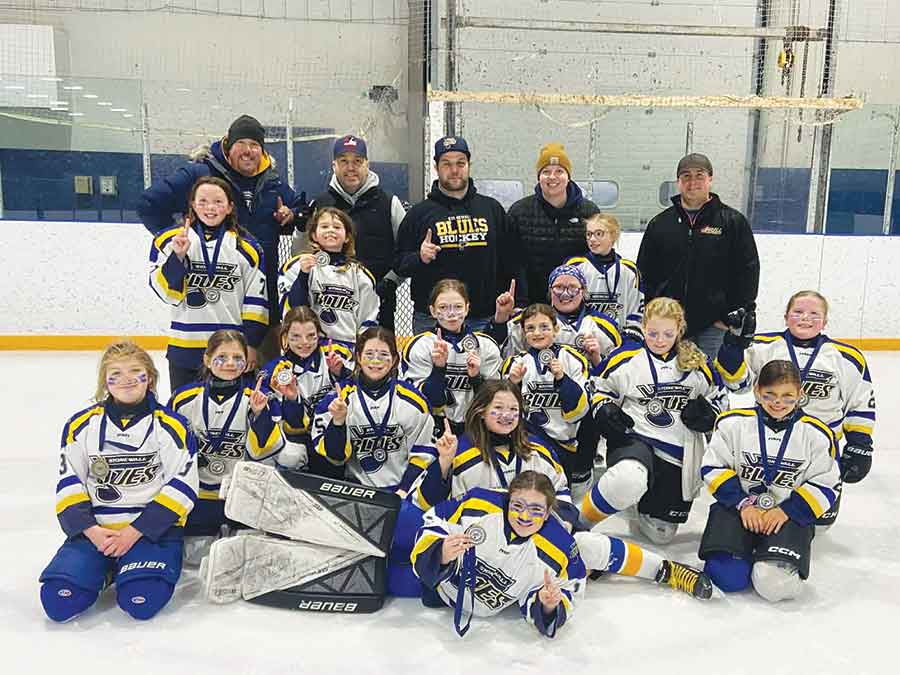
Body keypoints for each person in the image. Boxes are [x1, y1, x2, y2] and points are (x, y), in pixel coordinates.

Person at [411, 471, 710, 638]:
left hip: (493, 595)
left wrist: (548, 605)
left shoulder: (560, 545)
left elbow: (567, 592)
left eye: (536, 510)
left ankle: (665, 570)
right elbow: (433, 519)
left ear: (548, 513)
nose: (524, 517)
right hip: (435, 585)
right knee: (394, 530)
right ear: (507, 501)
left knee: (587, 547)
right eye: (517, 507)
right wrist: (441, 552)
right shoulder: (478, 503)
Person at [40, 341, 198, 622]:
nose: (126, 380)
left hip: (152, 534)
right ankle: (108, 566)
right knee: (58, 602)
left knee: (141, 602)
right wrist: (92, 531)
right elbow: (69, 483)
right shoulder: (81, 425)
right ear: (105, 381)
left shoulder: (172, 426)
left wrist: (134, 532)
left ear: (149, 377)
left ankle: (122, 565)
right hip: (97, 535)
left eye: (135, 371)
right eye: (116, 373)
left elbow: (183, 487)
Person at [139, 115, 303, 362]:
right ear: (227, 144)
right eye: (241, 143)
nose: (248, 151)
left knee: (259, 385)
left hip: (260, 304)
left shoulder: (273, 181)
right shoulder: (200, 172)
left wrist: (290, 216)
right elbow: (148, 204)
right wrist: (180, 238)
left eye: (255, 145)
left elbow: (303, 212)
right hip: (211, 304)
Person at [715, 290, 875, 527]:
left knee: (817, 523)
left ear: (826, 320)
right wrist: (733, 346)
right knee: (758, 511)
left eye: (814, 314)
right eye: (798, 312)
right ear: (786, 316)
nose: (805, 318)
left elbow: (859, 402)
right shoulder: (763, 346)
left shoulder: (846, 357)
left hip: (819, 450)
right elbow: (737, 383)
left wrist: (860, 444)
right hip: (765, 442)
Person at [581, 297, 728, 544]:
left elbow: (720, 398)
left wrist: (709, 416)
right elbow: (597, 386)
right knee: (629, 478)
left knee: (661, 535)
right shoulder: (626, 358)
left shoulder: (697, 363)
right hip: (636, 439)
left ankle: (642, 500)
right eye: (652, 333)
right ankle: (579, 521)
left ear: (679, 330)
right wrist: (603, 408)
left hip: (677, 452)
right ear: (643, 328)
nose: (659, 340)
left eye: (668, 334)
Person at [699, 360, 840, 602]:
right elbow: (712, 467)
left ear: (800, 394)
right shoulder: (732, 423)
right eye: (770, 394)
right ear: (757, 390)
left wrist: (788, 510)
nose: (778, 403)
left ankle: (767, 551)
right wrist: (743, 504)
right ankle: (748, 549)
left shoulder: (816, 434)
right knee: (726, 578)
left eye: (788, 396)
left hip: (786, 515)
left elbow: (828, 483)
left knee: (773, 586)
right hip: (740, 509)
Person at [149, 176, 269, 391]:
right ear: (193, 205)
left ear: (230, 207)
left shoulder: (247, 247)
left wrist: (251, 344)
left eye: (218, 202)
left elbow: (256, 302)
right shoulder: (168, 240)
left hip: (231, 351)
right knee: (185, 412)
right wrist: (177, 258)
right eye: (202, 201)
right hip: (185, 347)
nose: (210, 208)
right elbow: (165, 293)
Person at [637, 153, 759, 359]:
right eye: (686, 176)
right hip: (668, 326)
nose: (692, 182)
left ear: (710, 179)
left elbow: (748, 272)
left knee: (710, 385)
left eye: (699, 175)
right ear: (678, 182)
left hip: (714, 326)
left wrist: (732, 315)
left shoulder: (732, 222)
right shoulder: (660, 224)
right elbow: (644, 274)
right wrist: (651, 315)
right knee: (672, 387)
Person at [395, 136, 522, 334]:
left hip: (484, 317)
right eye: (447, 164)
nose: (454, 170)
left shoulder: (491, 209)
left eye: (460, 163)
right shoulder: (419, 214)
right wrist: (418, 257)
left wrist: (516, 302)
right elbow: (399, 263)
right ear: (436, 167)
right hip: (432, 320)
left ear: (469, 165)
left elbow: (513, 261)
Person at [168, 330, 285, 540]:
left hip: (240, 495)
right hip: (196, 494)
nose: (230, 363)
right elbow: (170, 451)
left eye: (238, 358)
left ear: (247, 361)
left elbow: (265, 454)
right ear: (207, 359)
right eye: (222, 357)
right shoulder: (183, 398)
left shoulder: (258, 398)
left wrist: (260, 414)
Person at [412, 380, 576, 525]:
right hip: (475, 546)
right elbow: (425, 503)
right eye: (498, 407)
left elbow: (560, 493)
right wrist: (444, 462)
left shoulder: (538, 449)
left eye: (513, 408)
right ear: (481, 411)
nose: (507, 415)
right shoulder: (457, 451)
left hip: (531, 545)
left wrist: (561, 525)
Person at [295, 135, 407, 331]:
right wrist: (300, 228)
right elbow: (298, 255)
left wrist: (391, 281)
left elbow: (407, 250)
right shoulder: (320, 204)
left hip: (379, 306)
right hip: (328, 307)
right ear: (334, 165)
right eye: (344, 161)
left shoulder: (390, 204)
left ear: (367, 164)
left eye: (357, 161)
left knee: (377, 361)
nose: (351, 167)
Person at [312, 326, 436, 495]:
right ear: (358, 358)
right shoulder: (338, 399)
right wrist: (338, 422)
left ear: (394, 360)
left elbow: (423, 454)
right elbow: (335, 458)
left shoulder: (414, 402)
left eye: (383, 355)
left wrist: (404, 490)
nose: (376, 361)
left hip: (401, 493)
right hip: (354, 492)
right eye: (369, 354)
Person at [500, 304, 592, 499]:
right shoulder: (516, 363)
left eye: (544, 327)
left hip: (564, 443)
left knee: (556, 497)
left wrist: (562, 379)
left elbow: (580, 411)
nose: (537, 333)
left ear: (556, 329)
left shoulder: (573, 359)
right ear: (524, 333)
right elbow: (502, 412)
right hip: (528, 442)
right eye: (530, 328)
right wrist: (512, 384)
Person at [260, 306, 352, 479]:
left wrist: (340, 373)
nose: (304, 343)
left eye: (311, 336)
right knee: (291, 456)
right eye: (296, 337)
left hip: (335, 432)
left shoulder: (337, 353)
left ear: (319, 333)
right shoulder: (275, 371)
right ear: (285, 336)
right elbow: (293, 427)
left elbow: (358, 391)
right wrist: (292, 399)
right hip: (300, 436)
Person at [401, 279, 503, 435]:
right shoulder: (420, 345)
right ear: (433, 311)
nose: (451, 313)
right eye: (443, 307)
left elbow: (494, 403)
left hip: (477, 430)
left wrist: (476, 378)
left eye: (458, 307)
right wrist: (438, 370)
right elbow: (428, 402)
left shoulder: (486, 345)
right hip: (434, 431)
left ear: (467, 308)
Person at [507, 143, 601, 305]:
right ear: (538, 177)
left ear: (568, 176)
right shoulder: (519, 212)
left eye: (559, 171)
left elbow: (596, 258)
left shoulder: (589, 211)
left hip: (574, 301)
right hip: (532, 303)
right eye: (546, 172)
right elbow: (514, 262)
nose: (552, 177)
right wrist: (520, 302)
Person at [279, 207, 379, 354]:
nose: (330, 230)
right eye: (324, 226)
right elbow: (294, 309)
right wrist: (303, 275)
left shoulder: (360, 275)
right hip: (307, 348)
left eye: (337, 227)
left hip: (347, 351)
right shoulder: (297, 266)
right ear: (313, 234)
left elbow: (367, 319)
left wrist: (361, 353)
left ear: (347, 237)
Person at [496, 264, 621, 365]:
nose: (565, 294)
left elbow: (613, 378)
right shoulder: (527, 319)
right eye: (559, 287)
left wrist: (597, 360)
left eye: (572, 287)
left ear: (583, 291)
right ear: (550, 291)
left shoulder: (605, 326)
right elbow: (499, 353)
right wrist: (501, 317)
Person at [564, 213, 645, 343]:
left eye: (599, 234)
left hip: (619, 342)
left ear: (613, 236)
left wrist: (628, 340)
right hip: (583, 341)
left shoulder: (629, 271)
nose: (592, 239)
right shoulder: (574, 266)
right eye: (589, 234)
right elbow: (563, 307)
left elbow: (637, 309)